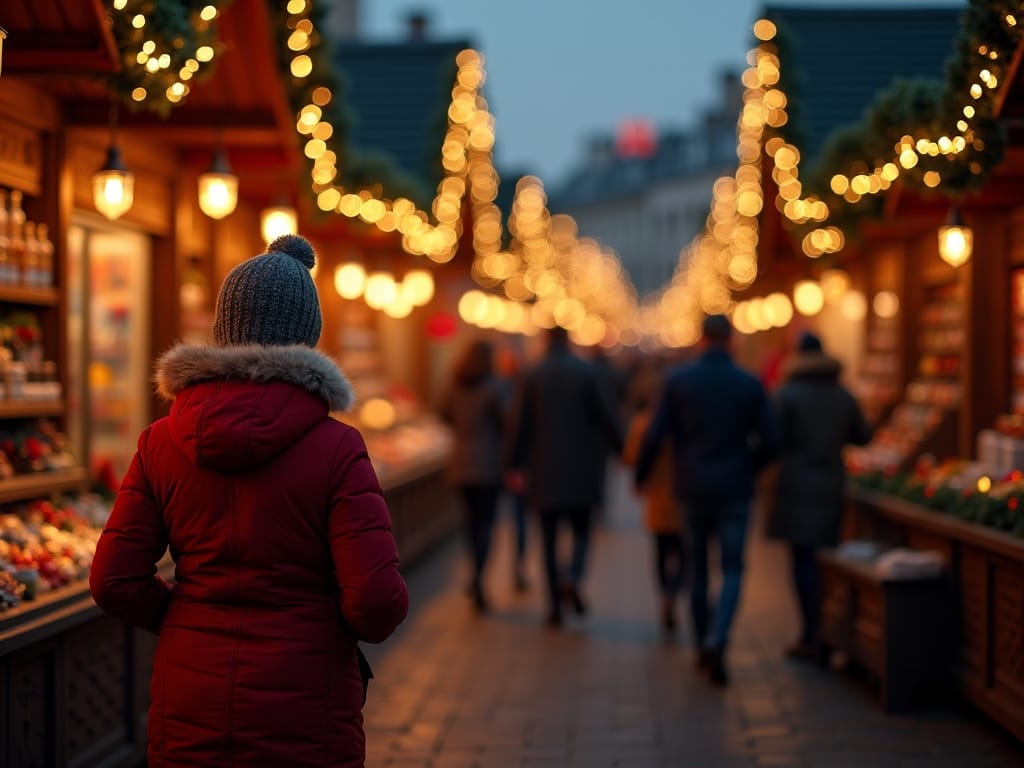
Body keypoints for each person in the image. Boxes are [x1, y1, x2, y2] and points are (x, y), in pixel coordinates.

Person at [90, 234, 409, 768]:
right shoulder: (337, 448)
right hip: (306, 707)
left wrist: (186, 617)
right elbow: (376, 599)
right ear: (308, 339)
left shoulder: (158, 443)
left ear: (224, 330)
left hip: (190, 700)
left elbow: (112, 580)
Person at [635, 314, 777, 685]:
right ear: (731, 340)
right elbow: (772, 441)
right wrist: (749, 466)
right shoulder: (749, 383)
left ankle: (702, 644)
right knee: (732, 568)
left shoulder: (679, 381)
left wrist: (641, 476)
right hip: (734, 488)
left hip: (692, 487)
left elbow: (655, 436)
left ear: (701, 340)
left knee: (696, 568)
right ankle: (720, 636)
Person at [509, 325, 624, 628]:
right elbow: (607, 416)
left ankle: (554, 608)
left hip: (544, 470)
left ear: (546, 341)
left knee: (547, 539)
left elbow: (520, 423)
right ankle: (573, 575)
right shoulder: (587, 374)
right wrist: (623, 451)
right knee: (582, 532)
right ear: (569, 341)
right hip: (583, 469)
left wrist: (514, 465)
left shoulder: (532, 375)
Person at [769, 331, 872, 660]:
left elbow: (773, 441)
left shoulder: (787, 394)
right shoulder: (843, 394)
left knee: (801, 561)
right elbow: (863, 436)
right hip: (830, 484)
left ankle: (810, 633)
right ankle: (826, 632)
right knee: (826, 559)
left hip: (795, 485)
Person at [440, 338, 507, 612]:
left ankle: (473, 571)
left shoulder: (454, 385)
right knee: (486, 525)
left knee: (469, 524)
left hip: (460, 463)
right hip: (489, 466)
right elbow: (506, 423)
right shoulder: (495, 388)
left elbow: (442, 413)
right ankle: (480, 576)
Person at [622, 355, 686, 635]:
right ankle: (675, 589)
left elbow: (632, 457)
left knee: (661, 549)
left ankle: (664, 593)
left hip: (658, 497)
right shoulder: (687, 423)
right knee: (685, 551)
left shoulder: (642, 423)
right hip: (684, 495)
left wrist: (639, 480)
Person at [495, 342, 530, 591]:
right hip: (509, 464)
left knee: (512, 519)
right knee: (517, 519)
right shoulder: (520, 387)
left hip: (501, 463)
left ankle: (516, 567)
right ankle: (516, 567)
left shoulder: (497, 387)